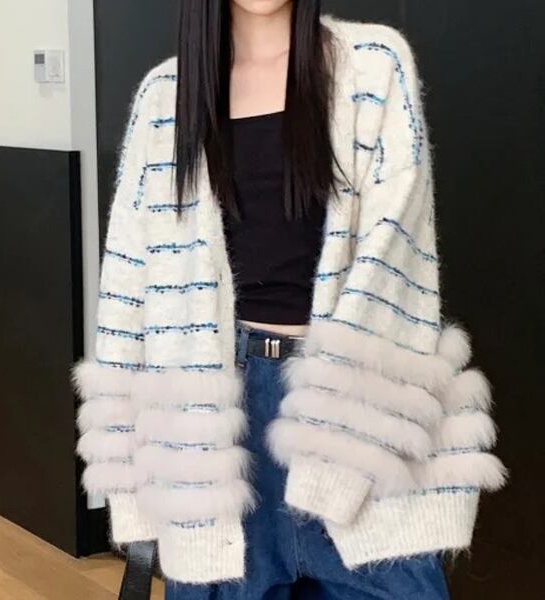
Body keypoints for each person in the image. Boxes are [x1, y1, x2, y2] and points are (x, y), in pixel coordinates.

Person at [71, 1, 507, 598]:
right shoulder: (164, 98)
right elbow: (127, 293)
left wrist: (337, 461)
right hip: (213, 437)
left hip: (361, 416)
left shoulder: (373, 67)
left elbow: (398, 268)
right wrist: (134, 492)